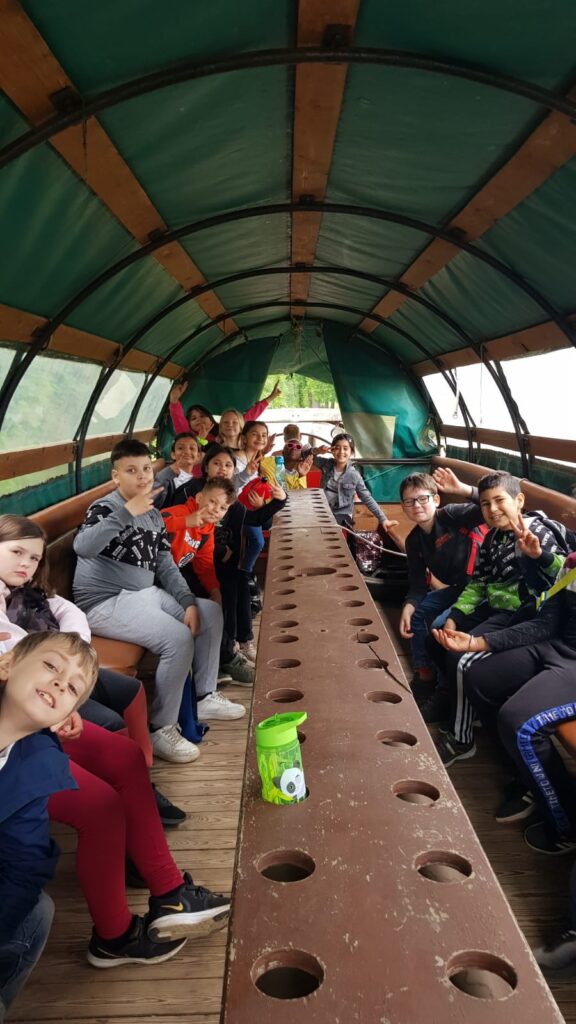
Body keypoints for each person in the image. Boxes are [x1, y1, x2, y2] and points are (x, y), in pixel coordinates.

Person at [0, 513, 185, 826]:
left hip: (65, 670)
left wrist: (69, 650)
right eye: (16, 552)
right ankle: (129, 792)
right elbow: (15, 646)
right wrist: (62, 654)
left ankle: (142, 777)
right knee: (111, 722)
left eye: (34, 558)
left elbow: (69, 611)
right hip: (33, 690)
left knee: (130, 690)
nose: (25, 564)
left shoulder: (28, 590)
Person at [73, 439, 244, 765]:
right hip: (105, 601)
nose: (142, 476)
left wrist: (188, 601)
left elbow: (165, 564)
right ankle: (160, 727)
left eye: (146, 469)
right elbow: (83, 546)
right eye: (131, 470)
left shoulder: (151, 514)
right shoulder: (105, 508)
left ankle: (204, 695)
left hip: (144, 595)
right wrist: (126, 512)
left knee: (209, 612)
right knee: (178, 638)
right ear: (116, 475)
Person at [429, 470, 570, 766]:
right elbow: (479, 582)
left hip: (523, 614)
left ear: (519, 501)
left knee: (461, 659)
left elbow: (562, 573)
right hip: (497, 607)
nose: (492, 509)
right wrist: (456, 615)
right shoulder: (492, 537)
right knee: (439, 633)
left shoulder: (538, 532)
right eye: (485, 504)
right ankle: (460, 706)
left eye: (499, 501)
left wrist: (539, 556)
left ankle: (461, 737)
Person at [449, 550, 576, 853]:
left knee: (519, 723)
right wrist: (479, 642)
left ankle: (566, 825)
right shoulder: (572, 563)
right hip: (557, 646)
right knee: (480, 677)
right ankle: (526, 776)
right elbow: (546, 623)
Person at [0, 631, 98, 1017]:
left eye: (72, 687)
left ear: (63, 718)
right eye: (51, 665)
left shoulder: (36, 767)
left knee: (36, 912)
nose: (60, 682)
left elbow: (24, 866)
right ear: (6, 665)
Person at [172, 446, 287, 680]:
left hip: (209, 560)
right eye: (217, 463)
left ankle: (240, 642)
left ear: (234, 470)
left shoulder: (228, 495)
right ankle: (227, 654)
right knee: (225, 586)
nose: (222, 469)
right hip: (182, 564)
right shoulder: (190, 492)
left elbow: (252, 519)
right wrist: (216, 548)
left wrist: (279, 501)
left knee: (238, 579)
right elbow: (166, 524)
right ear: (206, 466)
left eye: (228, 465)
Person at [398, 468, 487, 717]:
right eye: (409, 501)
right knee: (416, 614)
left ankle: (446, 692)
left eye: (423, 498)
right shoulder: (414, 541)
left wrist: (463, 490)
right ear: (403, 507)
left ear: (436, 499)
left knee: (440, 626)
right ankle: (425, 674)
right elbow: (418, 585)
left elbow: (490, 505)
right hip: (458, 589)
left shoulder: (453, 515)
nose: (416, 505)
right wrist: (408, 605)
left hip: (482, 588)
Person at [314, 433, 397, 545]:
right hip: (323, 509)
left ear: (351, 452)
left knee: (329, 530)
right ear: (332, 450)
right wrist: (317, 451)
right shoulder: (326, 464)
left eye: (345, 448)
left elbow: (367, 498)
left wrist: (383, 519)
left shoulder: (354, 475)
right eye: (337, 448)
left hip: (342, 513)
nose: (341, 452)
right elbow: (304, 456)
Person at [168, 380, 281, 443]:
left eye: (202, 416)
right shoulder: (188, 435)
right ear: (189, 424)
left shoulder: (223, 431)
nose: (199, 420)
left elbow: (247, 417)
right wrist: (174, 401)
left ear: (210, 418)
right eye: (193, 418)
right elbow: (179, 422)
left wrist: (271, 397)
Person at [154, 432, 202, 506]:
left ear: (198, 456)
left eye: (192, 448)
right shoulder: (164, 476)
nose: (187, 452)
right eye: (180, 448)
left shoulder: (197, 484)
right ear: (173, 454)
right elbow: (153, 500)